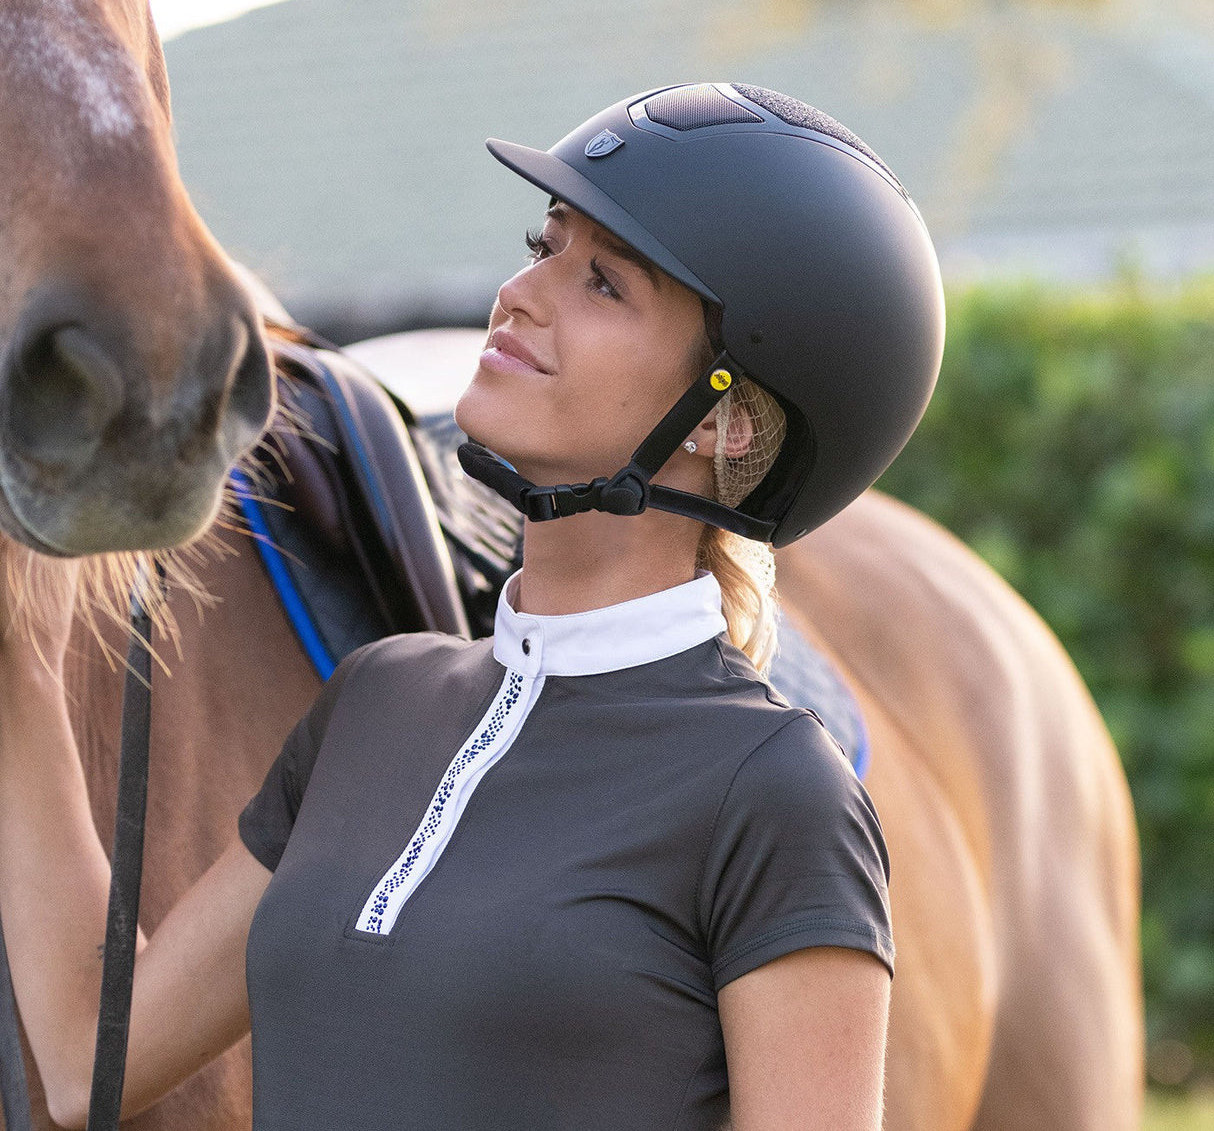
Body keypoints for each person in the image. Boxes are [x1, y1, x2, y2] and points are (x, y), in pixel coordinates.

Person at [0, 82, 944, 1130]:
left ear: (729, 425)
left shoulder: (772, 792)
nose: (519, 292)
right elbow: (94, 1056)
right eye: (542, 244)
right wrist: (20, 659)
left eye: (602, 283)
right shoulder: (375, 699)